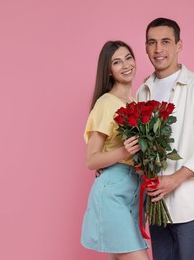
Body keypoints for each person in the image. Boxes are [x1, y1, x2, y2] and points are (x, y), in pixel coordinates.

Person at [136, 18, 194, 260]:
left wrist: (175, 179)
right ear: (145, 47)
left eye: (166, 42)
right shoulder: (142, 90)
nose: (158, 49)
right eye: (152, 43)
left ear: (179, 45)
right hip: (157, 203)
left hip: (189, 203)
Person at [80, 40, 150, 260]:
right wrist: (123, 152)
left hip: (135, 192)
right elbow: (91, 160)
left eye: (128, 58)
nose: (126, 65)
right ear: (109, 71)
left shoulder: (138, 100)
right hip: (113, 195)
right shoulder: (106, 103)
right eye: (117, 62)